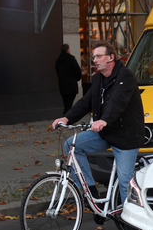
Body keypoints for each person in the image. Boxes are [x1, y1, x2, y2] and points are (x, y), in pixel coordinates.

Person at [52, 41, 145, 210]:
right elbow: (86, 102)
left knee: (125, 181)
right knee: (72, 145)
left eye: (99, 56)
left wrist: (104, 120)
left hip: (126, 137)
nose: (95, 60)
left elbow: (118, 102)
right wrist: (66, 118)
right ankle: (91, 193)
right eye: (93, 56)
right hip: (106, 133)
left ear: (111, 57)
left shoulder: (125, 76)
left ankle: (131, 222)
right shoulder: (98, 79)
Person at [55, 44, 82, 114]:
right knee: (68, 105)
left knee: (66, 104)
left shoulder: (58, 61)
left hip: (62, 86)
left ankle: (66, 119)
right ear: (68, 50)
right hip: (71, 85)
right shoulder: (71, 59)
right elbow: (78, 71)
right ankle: (66, 119)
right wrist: (77, 78)